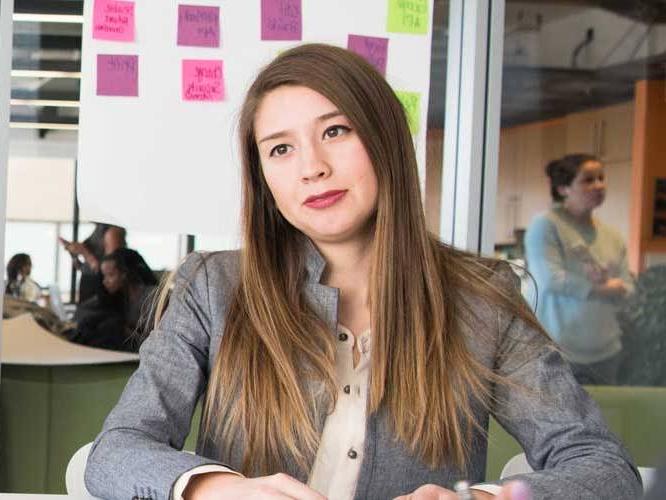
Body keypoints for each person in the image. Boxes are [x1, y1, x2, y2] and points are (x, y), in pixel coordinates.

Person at [85, 44, 640, 499]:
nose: (312, 168)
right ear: (264, 180)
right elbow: (115, 453)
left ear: (384, 140)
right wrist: (213, 489)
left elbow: (603, 467)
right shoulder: (213, 288)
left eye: (335, 132)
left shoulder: (481, 297)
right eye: (279, 149)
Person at [524, 154, 634, 386]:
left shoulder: (612, 235)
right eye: (588, 180)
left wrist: (616, 288)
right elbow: (549, 279)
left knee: (604, 421)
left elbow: (627, 286)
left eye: (601, 178)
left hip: (606, 353)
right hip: (558, 352)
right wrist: (599, 288)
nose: (599, 186)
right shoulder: (546, 225)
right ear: (563, 188)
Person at [71, 248, 157, 352]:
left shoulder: (151, 297)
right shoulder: (121, 298)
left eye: (110, 275)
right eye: (104, 276)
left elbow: (155, 337)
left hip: (145, 349)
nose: (105, 281)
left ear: (124, 275)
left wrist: (125, 330)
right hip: (131, 345)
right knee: (90, 322)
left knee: (111, 326)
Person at [59, 223, 127, 303]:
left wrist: (83, 251)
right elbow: (84, 266)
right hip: (89, 282)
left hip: (98, 287)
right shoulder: (99, 228)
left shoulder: (112, 230)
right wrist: (74, 255)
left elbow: (110, 268)